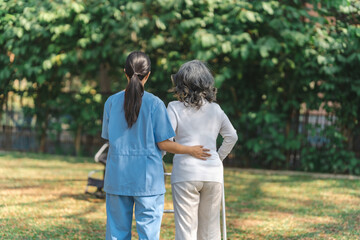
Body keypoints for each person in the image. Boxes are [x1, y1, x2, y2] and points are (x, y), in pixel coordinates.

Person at [101, 52, 210, 240]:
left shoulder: (111, 103)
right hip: (148, 180)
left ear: (124, 73)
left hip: (117, 176)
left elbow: (109, 138)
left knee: (116, 234)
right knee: (149, 235)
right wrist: (190, 150)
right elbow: (164, 143)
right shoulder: (155, 104)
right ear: (148, 74)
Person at [167, 60, 238, 240]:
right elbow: (232, 136)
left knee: (186, 230)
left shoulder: (174, 108)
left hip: (185, 174)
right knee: (210, 232)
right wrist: (217, 157)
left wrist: (188, 150)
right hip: (213, 173)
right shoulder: (216, 109)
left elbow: (167, 141)